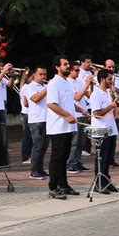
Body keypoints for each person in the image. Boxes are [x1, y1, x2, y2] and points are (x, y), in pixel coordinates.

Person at [46, 56, 87, 200]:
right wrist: (68, 115)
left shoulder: (67, 83)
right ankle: (53, 187)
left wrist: (81, 110)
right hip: (58, 127)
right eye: (65, 64)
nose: (68, 66)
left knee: (64, 157)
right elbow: (51, 104)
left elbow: (68, 102)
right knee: (57, 158)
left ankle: (64, 185)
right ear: (57, 67)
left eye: (68, 63)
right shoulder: (53, 84)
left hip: (68, 127)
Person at [89, 69, 119, 193]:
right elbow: (97, 114)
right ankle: (98, 184)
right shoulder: (95, 94)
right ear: (102, 80)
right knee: (101, 158)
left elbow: (113, 113)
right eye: (109, 79)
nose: (111, 81)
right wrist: (111, 106)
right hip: (101, 130)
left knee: (108, 158)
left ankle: (106, 181)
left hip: (111, 129)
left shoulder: (108, 92)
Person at [24, 66, 49, 179]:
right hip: (36, 120)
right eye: (40, 74)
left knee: (44, 146)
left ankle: (40, 168)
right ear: (34, 75)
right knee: (37, 146)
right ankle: (34, 171)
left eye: (44, 74)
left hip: (46, 119)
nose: (43, 77)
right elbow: (35, 99)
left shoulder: (45, 86)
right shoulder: (30, 87)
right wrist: (47, 89)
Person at [67, 61, 91, 173]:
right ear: (70, 70)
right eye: (76, 70)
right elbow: (76, 97)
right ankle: (71, 163)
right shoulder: (68, 82)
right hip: (75, 115)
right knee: (74, 141)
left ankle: (78, 162)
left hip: (82, 113)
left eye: (78, 70)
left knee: (81, 141)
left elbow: (88, 95)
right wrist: (86, 84)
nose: (78, 73)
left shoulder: (79, 81)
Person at [19, 79, 32, 165]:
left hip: (30, 113)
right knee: (27, 136)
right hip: (27, 113)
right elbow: (25, 103)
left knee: (31, 136)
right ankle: (25, 157)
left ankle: (29, 155)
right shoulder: (26, 87)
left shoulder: (29, 87)